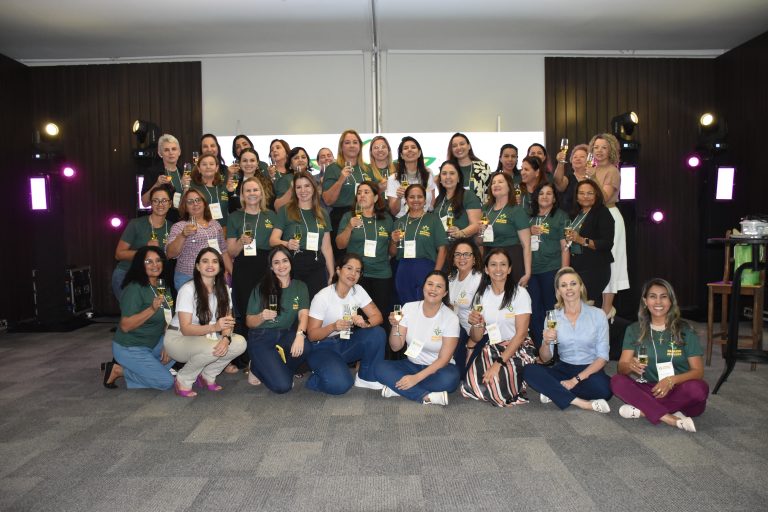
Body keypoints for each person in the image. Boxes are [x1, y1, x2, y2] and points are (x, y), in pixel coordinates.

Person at [611, 278, 708, 432]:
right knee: (617, 381)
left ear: (671, 301)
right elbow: (621, 368)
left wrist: (671, 380)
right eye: (652, 296)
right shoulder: (634, 329)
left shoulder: (685, 330)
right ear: (645, 301)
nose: (658, 302)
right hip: (650, 389)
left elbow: (698, 372)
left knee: (699, 389)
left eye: (664, 296)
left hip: (680, 389)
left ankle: (644, 410)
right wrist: (629, 366)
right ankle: (670, 418)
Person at [523, 267, 613, 413]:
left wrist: (575, 380)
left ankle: (554, 391)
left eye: (573, 284)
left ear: (580, 287)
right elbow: (546, 359)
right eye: (564, 285)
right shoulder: (553, 317)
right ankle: (581, 403)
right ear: (558, 291)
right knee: (529, 371)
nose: (569, 288)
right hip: (564, 368)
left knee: (605, 390)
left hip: (590, 369)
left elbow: (602, 358)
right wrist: (545, 342)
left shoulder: (598, 315)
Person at [164, 248, 247, 397]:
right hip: (178, 338)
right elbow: (186, 329)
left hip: (205, 337)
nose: (210, 265)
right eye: (205, 261)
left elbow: (228, 322)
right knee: (212, 347)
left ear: (220, 267)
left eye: (215, 261)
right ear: (197, 266)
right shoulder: (188, 289)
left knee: (239, 343)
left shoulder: (223, 289)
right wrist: (214, 327)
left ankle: (207, 375)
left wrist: (226, 339)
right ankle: (183, 379)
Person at [375, 271, 460, 406]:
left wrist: (416, 378)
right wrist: (395, 326)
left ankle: (399, 389)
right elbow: (395, 347)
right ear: (423, 287)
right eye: (430, 284)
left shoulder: (451, 318)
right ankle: (425, 396)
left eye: (439, 286)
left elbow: (444, 359)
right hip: (411, 365)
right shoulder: (408, 308)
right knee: (380, 368)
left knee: (450, 379)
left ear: (445, 293)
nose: (433, 289)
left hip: (438, 369)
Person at [306, 254, 387, 395]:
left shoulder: (358, 290)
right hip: (322, 347)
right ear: (338, 270)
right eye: (349, 268)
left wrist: (365, 323)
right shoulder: (322, 297)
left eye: (357, 271)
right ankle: (315, 378)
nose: (353, 274)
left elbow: (378, 317)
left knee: (377, 333)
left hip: (345, 342)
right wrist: (333, 327)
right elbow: (312, 335)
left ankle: (366, 377)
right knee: (341, 385)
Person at [462, 249, 533, 406]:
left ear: (509, 269)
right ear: (486, 269)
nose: (498, 269)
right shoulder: (481, 295)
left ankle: (517, 381)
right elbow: (477, 337)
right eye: (493, 265)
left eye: (503, 265)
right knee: (469, 385)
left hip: (517, 347)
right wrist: (476, 323)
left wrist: (498, 363)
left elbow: (521, 334)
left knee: (496, 386)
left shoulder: (520, 293)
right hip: (492, 347)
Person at [103, 246, 175, 390]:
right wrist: (152, 309)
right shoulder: (134, 288)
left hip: (153, 343)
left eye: (158, 260)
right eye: (149, 261)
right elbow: (125, 326)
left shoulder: (162, 285)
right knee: (166, 382)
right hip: (130, 347)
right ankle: (119, 370)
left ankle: (147, 370)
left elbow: (168, 318)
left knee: (180, 346)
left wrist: (168, 344)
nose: (155, 265)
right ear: (140, 265)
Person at [245, 247, 310, 393]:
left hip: (284, 334)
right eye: (276, 262)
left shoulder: (300, 286)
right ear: (271, 267)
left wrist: (300, 335)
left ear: (290, 263)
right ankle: (256, 366)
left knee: (305, 346)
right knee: (283, 386)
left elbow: (303, 315)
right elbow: (249, 322)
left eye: (285, 261)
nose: (281, 266)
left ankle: (270, 367)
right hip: (261, 336)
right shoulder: (261, 287)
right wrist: (262, 316)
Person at [270, 170, 335, 299]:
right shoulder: (285, 210)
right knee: (295, 304)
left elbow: (326, 247)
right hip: (294, 264)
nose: (303, 190)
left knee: (316, 305)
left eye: (307, 186)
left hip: (316, 265)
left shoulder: (323, 213)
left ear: (313, 187)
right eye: (298, 187)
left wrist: (332, 273)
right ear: (294, 190)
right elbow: (273, 240)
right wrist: (286, 243)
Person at [335, 181, 394, 317]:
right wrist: (349, 227)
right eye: (359, 193)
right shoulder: (349, 217)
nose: (361, 195)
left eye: (366, 192)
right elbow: (340, 245)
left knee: (380, 316)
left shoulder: (386, 219)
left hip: (381, 274)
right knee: (355, 317)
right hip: (356, 275)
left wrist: (395, 242)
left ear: (375, 198)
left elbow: (392, 252)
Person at [322, 130, 381, 262]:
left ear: (360, 146)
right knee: (343, 259)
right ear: (341, 147)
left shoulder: (368, 169)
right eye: (347, 142)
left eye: (355, 142)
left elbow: (376, 194)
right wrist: (341, 179)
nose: (352, 145)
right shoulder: (333, 168)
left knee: (366, 256)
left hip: (366, 215)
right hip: (341, 216)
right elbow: (327, 200)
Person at [226, 177, 275, 332]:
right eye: (248, 190)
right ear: (242, 195)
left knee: (266, 306)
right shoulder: (234, 217)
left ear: (261, 193)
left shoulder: (271, 215)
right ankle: (245, 345)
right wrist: (241, 242)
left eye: (255, 190)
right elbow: (231, 251)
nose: (252, 193)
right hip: (244, 269)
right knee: (245, 307)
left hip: (266, 267)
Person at [590, 133, 629, 319]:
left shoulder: (612, 171)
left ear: (610, 150)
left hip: (610, 215)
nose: (599, 151)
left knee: (611, 262)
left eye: (603, 147)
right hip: (594, 217)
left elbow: (603, 197)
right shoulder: (591, 169)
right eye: (596, 147)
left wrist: (591, 177)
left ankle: (607, 310)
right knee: (595, 262)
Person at [112, 184, 173, 301]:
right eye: (155, 200)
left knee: (155, 311)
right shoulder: (136, 224)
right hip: (128, 274)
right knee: (133, 311)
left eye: (164, 200)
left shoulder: (173, 228)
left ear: (170, 204)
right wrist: (144, 251)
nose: (160, 204)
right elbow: (119, 254)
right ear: (151, 204)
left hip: (154, 278)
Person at [390, 184, 448, 303]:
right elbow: (393, 253)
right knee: (406, 306)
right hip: (404, 269)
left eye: (419, 197)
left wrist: (436, 273)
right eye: (412, 197)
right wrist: (394, 241)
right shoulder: (399, 222)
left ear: (425, 200)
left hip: (426, 268)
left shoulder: (433, 219)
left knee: (426, 305)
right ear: (406, 200)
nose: (416, 200)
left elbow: (443, 249)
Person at [528, 183, 569, 348]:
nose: (544, 196)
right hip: (531, 271)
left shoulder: (560, 216)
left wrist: (564, 274)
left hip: (551, 270)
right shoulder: (528, 216)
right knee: (534, 311)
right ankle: (540, 349)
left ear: (554, 198)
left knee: (551, 310)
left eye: (549, 193)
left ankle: (555, 349)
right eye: (541, 193)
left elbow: (565, 246)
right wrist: (529, 230)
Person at [166, 188, 232, 290]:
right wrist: (182, 235)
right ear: (185, 207)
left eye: (198, 200)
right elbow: (170, 254)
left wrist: (233, 274)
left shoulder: (215, 224)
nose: (195, 204)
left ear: (204, 203)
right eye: (190, 202)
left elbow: (223, 252)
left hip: (213, 276)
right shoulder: (179, 226)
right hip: (188, 277)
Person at [566, 179, 614, 307]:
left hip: (595, 268)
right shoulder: (575, 213)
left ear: (596, 195)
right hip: (576, 266)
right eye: (581, 193)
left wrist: (581, 240)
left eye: (589, 193)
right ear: (576, 196)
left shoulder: (602, 212)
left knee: (583, 305)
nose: (585, 196)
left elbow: (607, 243)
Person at [479, 172, 532, 286]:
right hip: (489, 257)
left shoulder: (516, 210)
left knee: (510, 295)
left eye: (500, 182)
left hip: (511, 258)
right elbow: (479, 241)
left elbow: (526, 245)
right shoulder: (486, 209)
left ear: (509, 186)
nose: (496, 185)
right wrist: (480, 232)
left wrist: (527, 273)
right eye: (493, 183)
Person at [445, 239, 483, 377]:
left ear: (474, 259)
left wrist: (471, 342)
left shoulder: (479, 279)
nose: (462, 258)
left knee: (463, 374)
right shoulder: (451, 278)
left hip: (478, 333)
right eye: (458, 254)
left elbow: (483, 316)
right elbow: (450, 307)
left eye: (467, 254)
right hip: (459, 329)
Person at [386, 136, 437, 218]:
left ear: (419, 153)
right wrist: (399, 198)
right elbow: (393, 212)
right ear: (401, 155)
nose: (410, 150)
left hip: (425, 219)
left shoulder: (428, 174)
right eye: (406, 148)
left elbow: (432, 202)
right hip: (402, 221)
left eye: (413, 147)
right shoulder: (393, 179)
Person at [140, 133, 189, 216]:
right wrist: (157, 184)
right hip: (163, 219)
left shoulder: (184, 173)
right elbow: (145, 203)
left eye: (174, 149)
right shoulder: (152, 172)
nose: (171, 153)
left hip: (183, 218)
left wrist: (186, 187)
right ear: (160, 153)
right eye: (166, 150)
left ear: (179, 152)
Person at [432, 160, 482, 240]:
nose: (448, 177)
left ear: (458, 178)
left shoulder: (468, 195)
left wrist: (460, 233)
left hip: (461, 245)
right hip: (441, 245)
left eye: (452, 173)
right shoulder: (438, 199)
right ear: (440, 179)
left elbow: (476, 225)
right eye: (444, 173)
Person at [190, 152, 235, 228]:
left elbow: (232, 208)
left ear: (216, 168)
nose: (208, 167)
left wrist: (231, 192)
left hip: (224, 229)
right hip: (201, 230)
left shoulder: (224, 186)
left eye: (211, 164)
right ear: (199, 168)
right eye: (204, 164)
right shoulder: (192, 187)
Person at [447, 133, 492, 204]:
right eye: (454, 146)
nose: (458, 147)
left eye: (462, 144)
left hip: (480, 210)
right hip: (454, 210)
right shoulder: (448, 169)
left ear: (469, 146)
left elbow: (490, 193)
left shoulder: (483, 168)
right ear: (451, 150)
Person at [228, 147, 274, 211]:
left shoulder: (267, 182)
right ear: (240, 164)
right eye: (245, 161)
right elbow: (231, 210)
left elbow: (271, 208)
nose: (248, 164)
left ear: (257, 163)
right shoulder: (234, 184)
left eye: (252, 160)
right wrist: (230, 192)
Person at [552, 143, 590, 214]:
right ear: (571, 161)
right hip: (568, 218)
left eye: (582, 157)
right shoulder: (567, 179)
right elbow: (558, 181)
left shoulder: (593, 178)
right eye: (575, 157)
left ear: (589, 160)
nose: (578, 159)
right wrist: (560, 162)